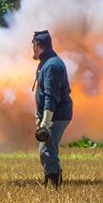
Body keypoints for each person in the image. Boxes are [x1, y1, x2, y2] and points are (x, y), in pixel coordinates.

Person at [32, 30, 73, 186]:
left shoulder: (52, 66)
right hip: (55, 113)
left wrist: (46, 121)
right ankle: (53, 177)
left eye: (33, 45)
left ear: (37, 45)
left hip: (57, 114)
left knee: (47, 149)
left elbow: (51, 95)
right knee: (47, 148)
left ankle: (53, 182)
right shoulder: (47, 62)